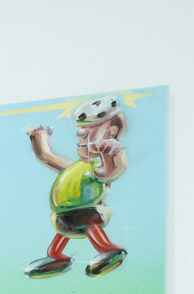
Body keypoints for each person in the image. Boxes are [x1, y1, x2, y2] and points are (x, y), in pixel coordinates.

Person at [25, 96, 128, 277]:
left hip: (88, 211)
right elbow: (46, 157)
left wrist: (109, 153)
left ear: (112, 132)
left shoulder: (96, 168)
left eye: (87, 133)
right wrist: (38, 139)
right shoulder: (72, 167)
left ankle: (108, 250)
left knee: (89, 224)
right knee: (62, 233)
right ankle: (56, 257)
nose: (80, 135)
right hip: (62, 215)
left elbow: (111, 171)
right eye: (82, 133)